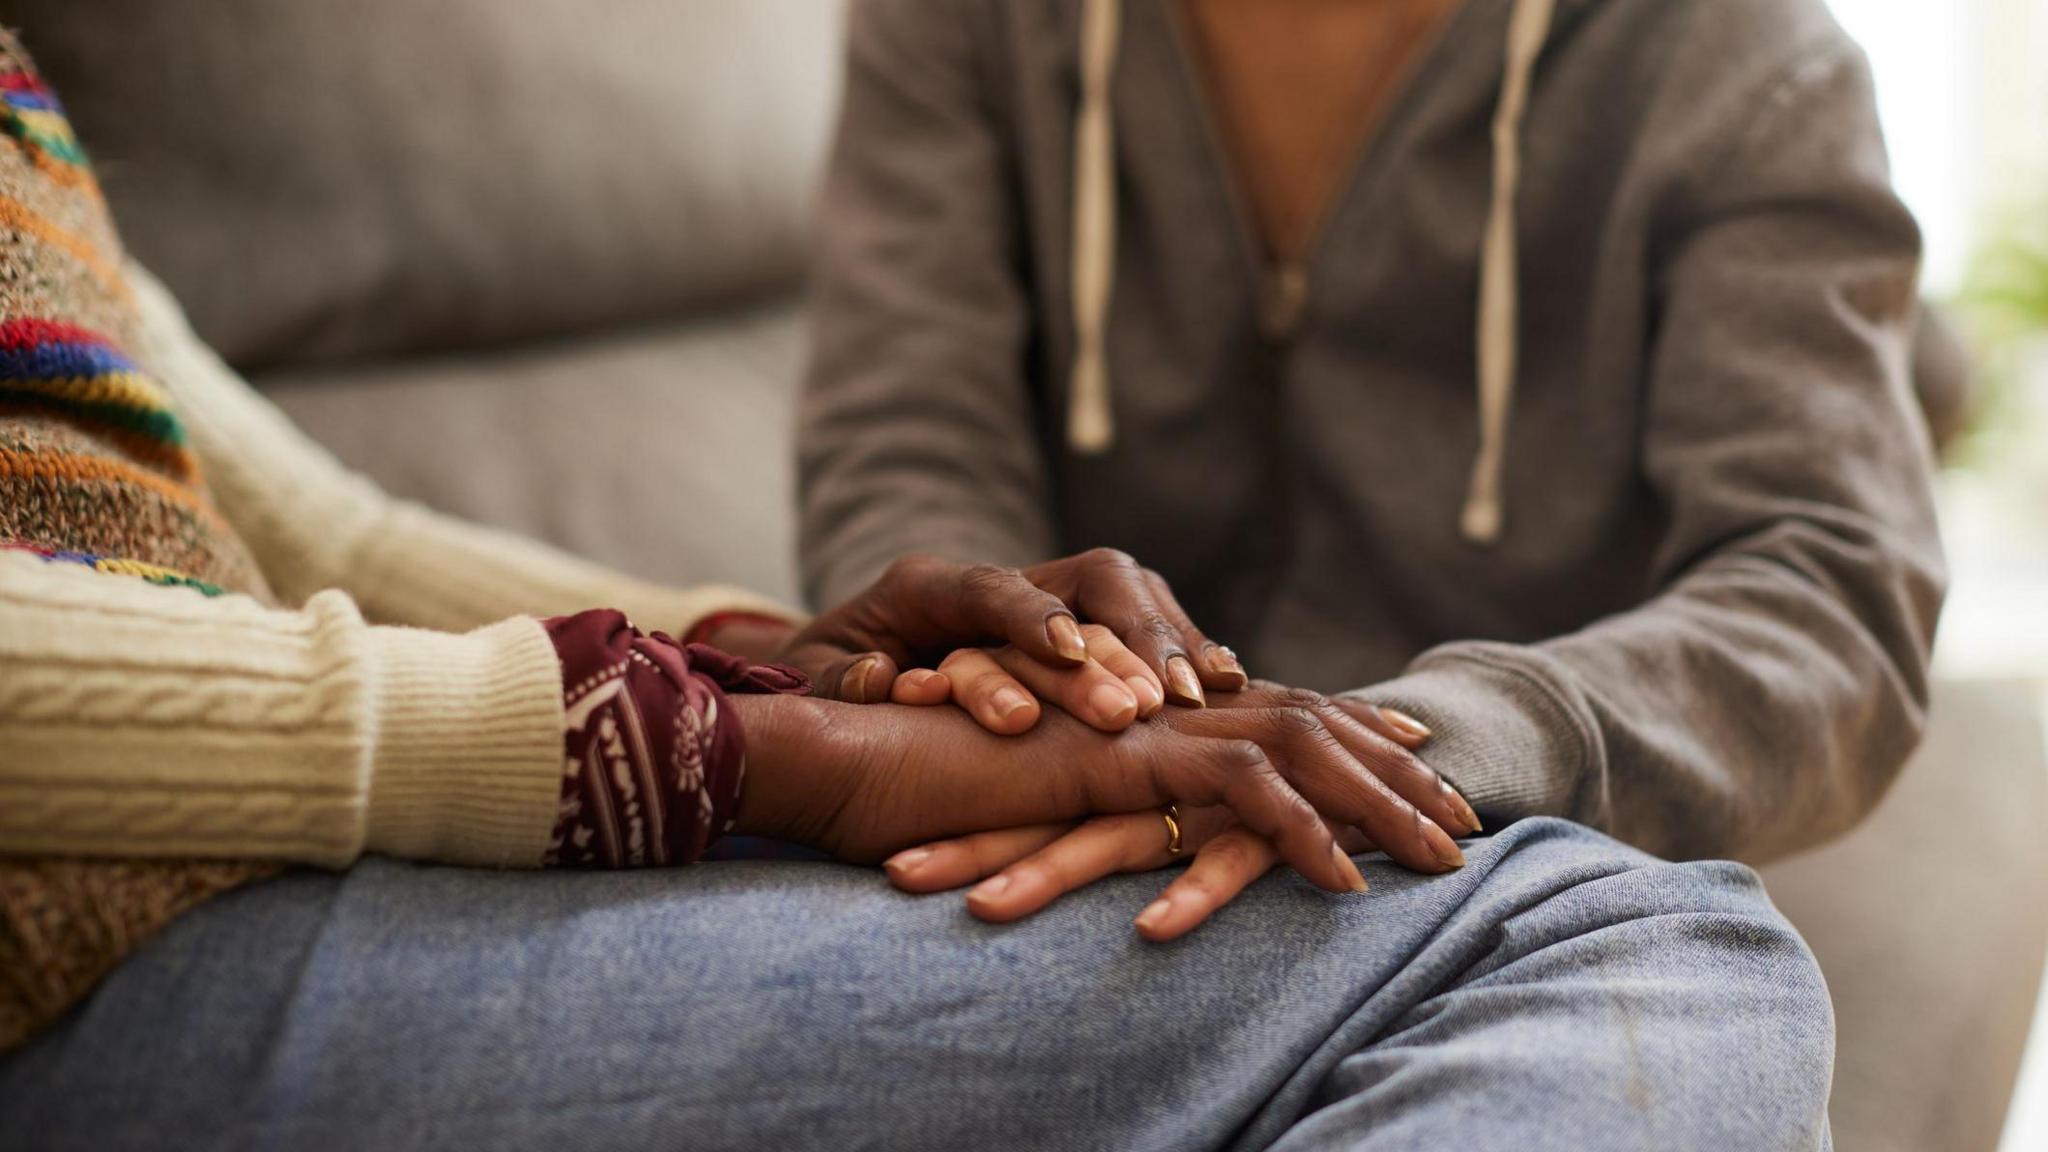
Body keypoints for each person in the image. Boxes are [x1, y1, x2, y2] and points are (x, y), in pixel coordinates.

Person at [0, 28, 1836, 1151]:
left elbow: (295, 522)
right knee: (1623, 951)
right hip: (92, 953)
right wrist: (753, 752)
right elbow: (898, 441)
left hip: (261, 854)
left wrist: (767, 664)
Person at [800, 0, 1948, 913]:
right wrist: (1012, 691)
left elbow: (1829, 592)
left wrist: (1430, 750)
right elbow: (906, 442)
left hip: (1512, 834)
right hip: (1058, 789)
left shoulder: (1736, 52)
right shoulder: (960, 21)